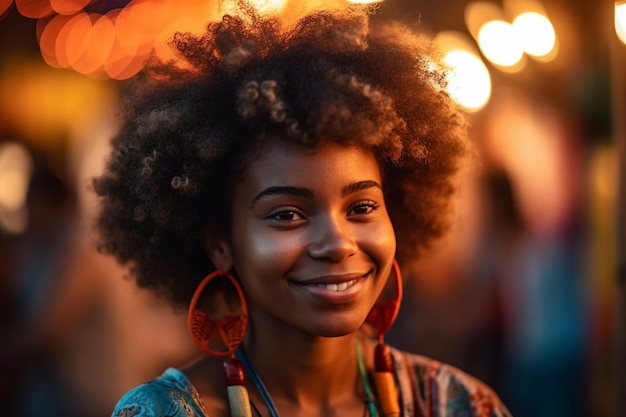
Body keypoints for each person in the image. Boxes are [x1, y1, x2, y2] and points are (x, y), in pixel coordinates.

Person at [93, 2, 512, 416]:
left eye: (362, 206)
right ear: (221, 242)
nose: (336, 244)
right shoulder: (163, 412)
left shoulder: (459, 405)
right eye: (287, 214)